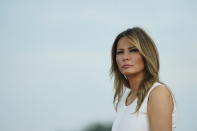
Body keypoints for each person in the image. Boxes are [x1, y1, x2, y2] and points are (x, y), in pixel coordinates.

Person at [110, 27, 176, 131]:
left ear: (147, 54)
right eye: (120, 52)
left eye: (133, 50)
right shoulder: (123, 99)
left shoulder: (157, 93)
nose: (125, 57)